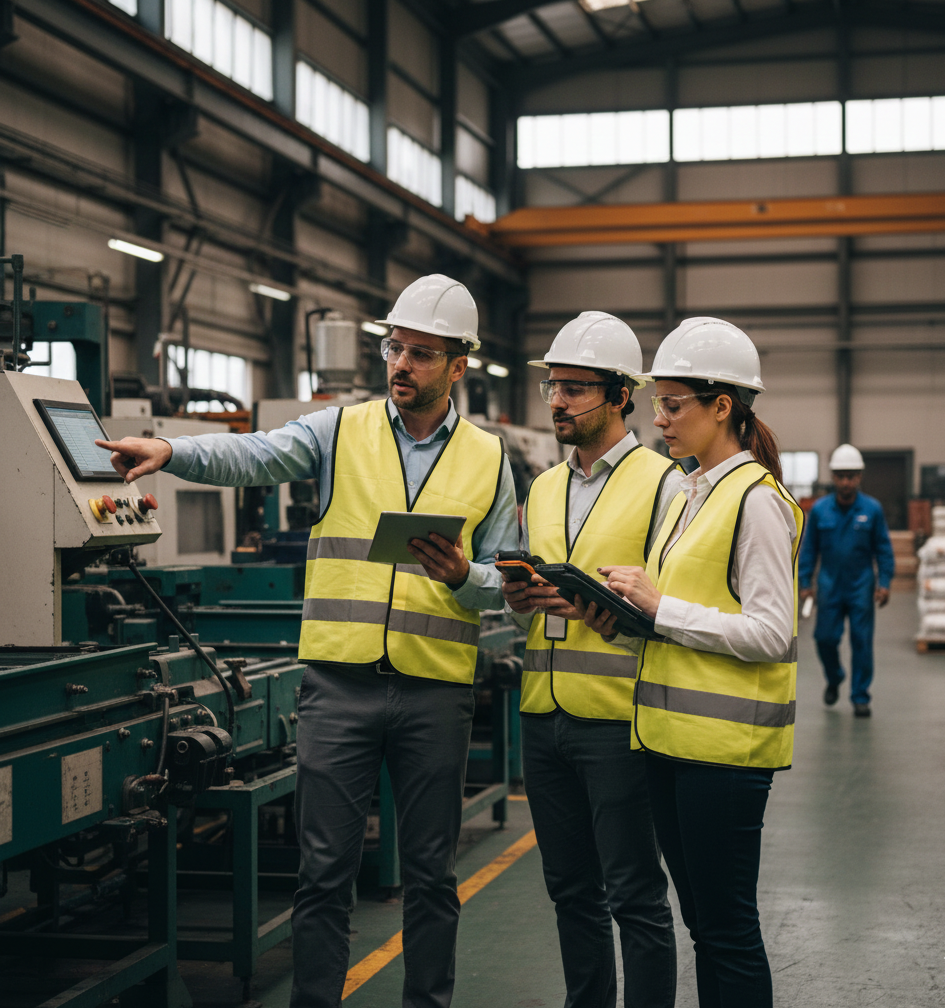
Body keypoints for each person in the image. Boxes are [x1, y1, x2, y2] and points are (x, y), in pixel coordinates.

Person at [96, 274, 519, 1008]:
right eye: (394, 348)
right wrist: (170, 449)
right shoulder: (338, 430)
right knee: (324, 873)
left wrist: (463, 576)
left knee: (429, 874)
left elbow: (506, 578)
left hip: (435, 691)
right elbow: (253, 454)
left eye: (421, 354)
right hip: (338, 687)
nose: (401, 364)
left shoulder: (487, 457)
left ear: (458, 366)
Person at [580, 317, 803, 1008]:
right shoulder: (688, 494)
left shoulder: (756, 501)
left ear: (722, 406)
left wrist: (659, 606)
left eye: (673, 405)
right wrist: (620, 621)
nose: (659, 419)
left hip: (725, 753)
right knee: (705, 926)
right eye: (658, 403)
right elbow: (680, 620)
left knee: (728, 929)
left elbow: (772, 633)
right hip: (671, 743)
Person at [502, 312, 680, 1008]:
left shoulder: (664, 484)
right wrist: (520, 598)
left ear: (619, 396)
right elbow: (535, 601)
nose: (557, 401)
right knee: (570, 890)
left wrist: (619, 617)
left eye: (574, 388)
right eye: (552, 386)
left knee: (634, 893)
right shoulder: (544, 487)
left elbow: (673, 609)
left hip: (619, 719)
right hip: (542, 715)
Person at [799, 443, 894, 717]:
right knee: (824, 639)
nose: (845, 482)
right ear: (833, 477)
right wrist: (805, 583)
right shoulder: (820, 510)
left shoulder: (872, 510)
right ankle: (835, 676)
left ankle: (860, 696)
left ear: (859, 477)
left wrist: (884, 582)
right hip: (829, 585)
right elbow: (809, 549)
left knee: (862, 641)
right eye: (840, 476)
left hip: (860, 586)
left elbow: (883, 549)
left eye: (851, 476)